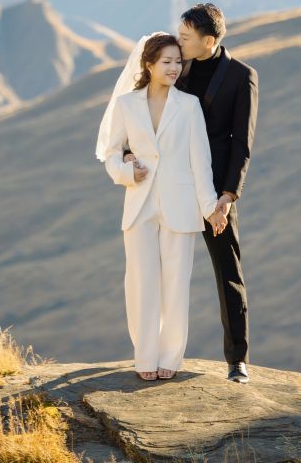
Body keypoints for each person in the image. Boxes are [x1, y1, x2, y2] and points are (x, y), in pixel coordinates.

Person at [131, 4, 257, 384]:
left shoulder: (241, 76)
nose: (179, 41)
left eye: (186, 36)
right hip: (167, 187)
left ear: (209, 40)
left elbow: (241, 143)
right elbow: (141, 116)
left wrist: (228, 195)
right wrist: (126, 155)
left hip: (213, 192)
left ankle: (237, 360)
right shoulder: (173, 65)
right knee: (157, 273)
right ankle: (154, 354)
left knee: (227, 272)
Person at [96, 33, 228, 381]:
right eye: (166, 62)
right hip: (139, 204)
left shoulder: (189, 105)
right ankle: (144, 357)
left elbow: (200, 161)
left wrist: (211, 207)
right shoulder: (126, 104)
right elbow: (111, 153)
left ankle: (170, 356)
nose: (174, 68)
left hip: (181, 205)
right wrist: (127, 171)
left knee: (175, 284)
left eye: (177, 62)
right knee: (141, 283)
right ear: (149, 64)